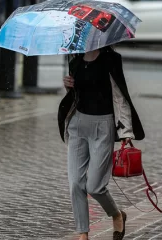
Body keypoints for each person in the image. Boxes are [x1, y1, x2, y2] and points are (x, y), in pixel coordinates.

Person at [57, 46, 145, 240]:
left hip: (103, 126)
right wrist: (68, 85)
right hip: (77, 125)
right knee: (75, 184)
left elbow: (119, 96)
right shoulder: (75, 58)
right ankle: (83, 234)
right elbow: (76, 94)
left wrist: (125, 131)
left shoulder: (111, 59)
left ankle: (116, 214)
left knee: (95, 186)